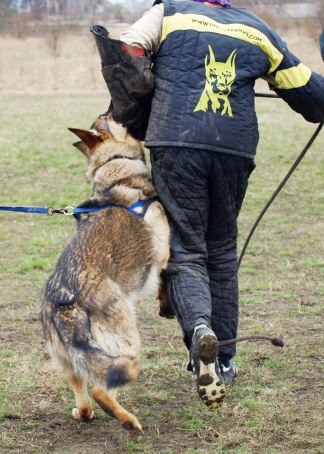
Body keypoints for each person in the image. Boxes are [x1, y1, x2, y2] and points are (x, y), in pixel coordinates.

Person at [92, 0, 324, 409]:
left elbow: (126, 51)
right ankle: (227, 359)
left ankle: (200, 330)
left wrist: (147, 100)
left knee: (186, 250)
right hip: (234, 150)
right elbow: (311, 95)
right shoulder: (259, 30)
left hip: (176, 143)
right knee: (221, 250)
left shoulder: (170, 12)